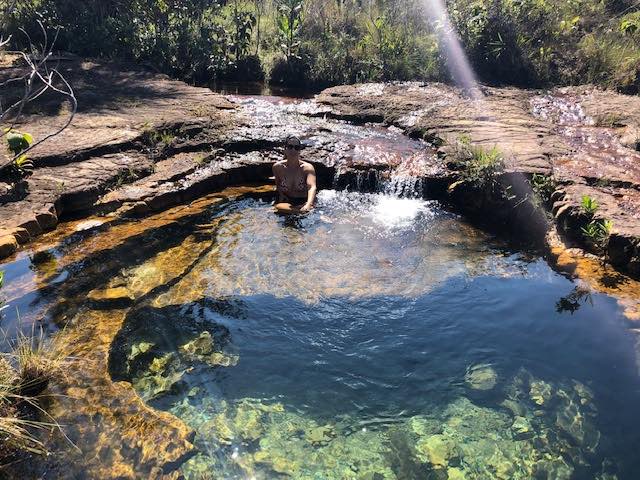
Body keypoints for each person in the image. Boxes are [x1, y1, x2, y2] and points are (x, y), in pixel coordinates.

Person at [272, 135, 317, 214]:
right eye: (290, 147)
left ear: (299, 151)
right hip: (287, 202)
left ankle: (302, 211)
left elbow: (312, 187)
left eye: (296, 148)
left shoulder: (307, 168)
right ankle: (299, 212)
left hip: (304, 200)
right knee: (278, 207)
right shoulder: (277, 167)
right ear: (285, 149)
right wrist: (281, 194)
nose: (293, 150)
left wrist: (308, 204)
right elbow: (278, 184)